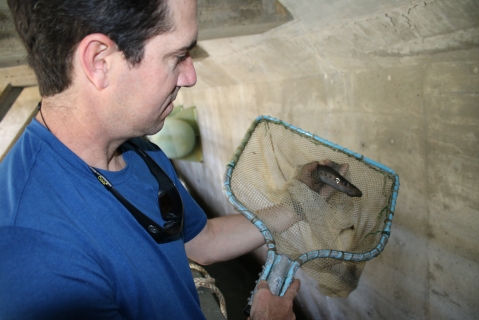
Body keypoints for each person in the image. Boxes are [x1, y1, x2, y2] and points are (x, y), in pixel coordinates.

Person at [0, 0, 300, 319]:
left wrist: (300, 205)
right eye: (177, 56)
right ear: (100, 61)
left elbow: (203, 241)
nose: (190, 76)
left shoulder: (142, 150)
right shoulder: (34, 254)